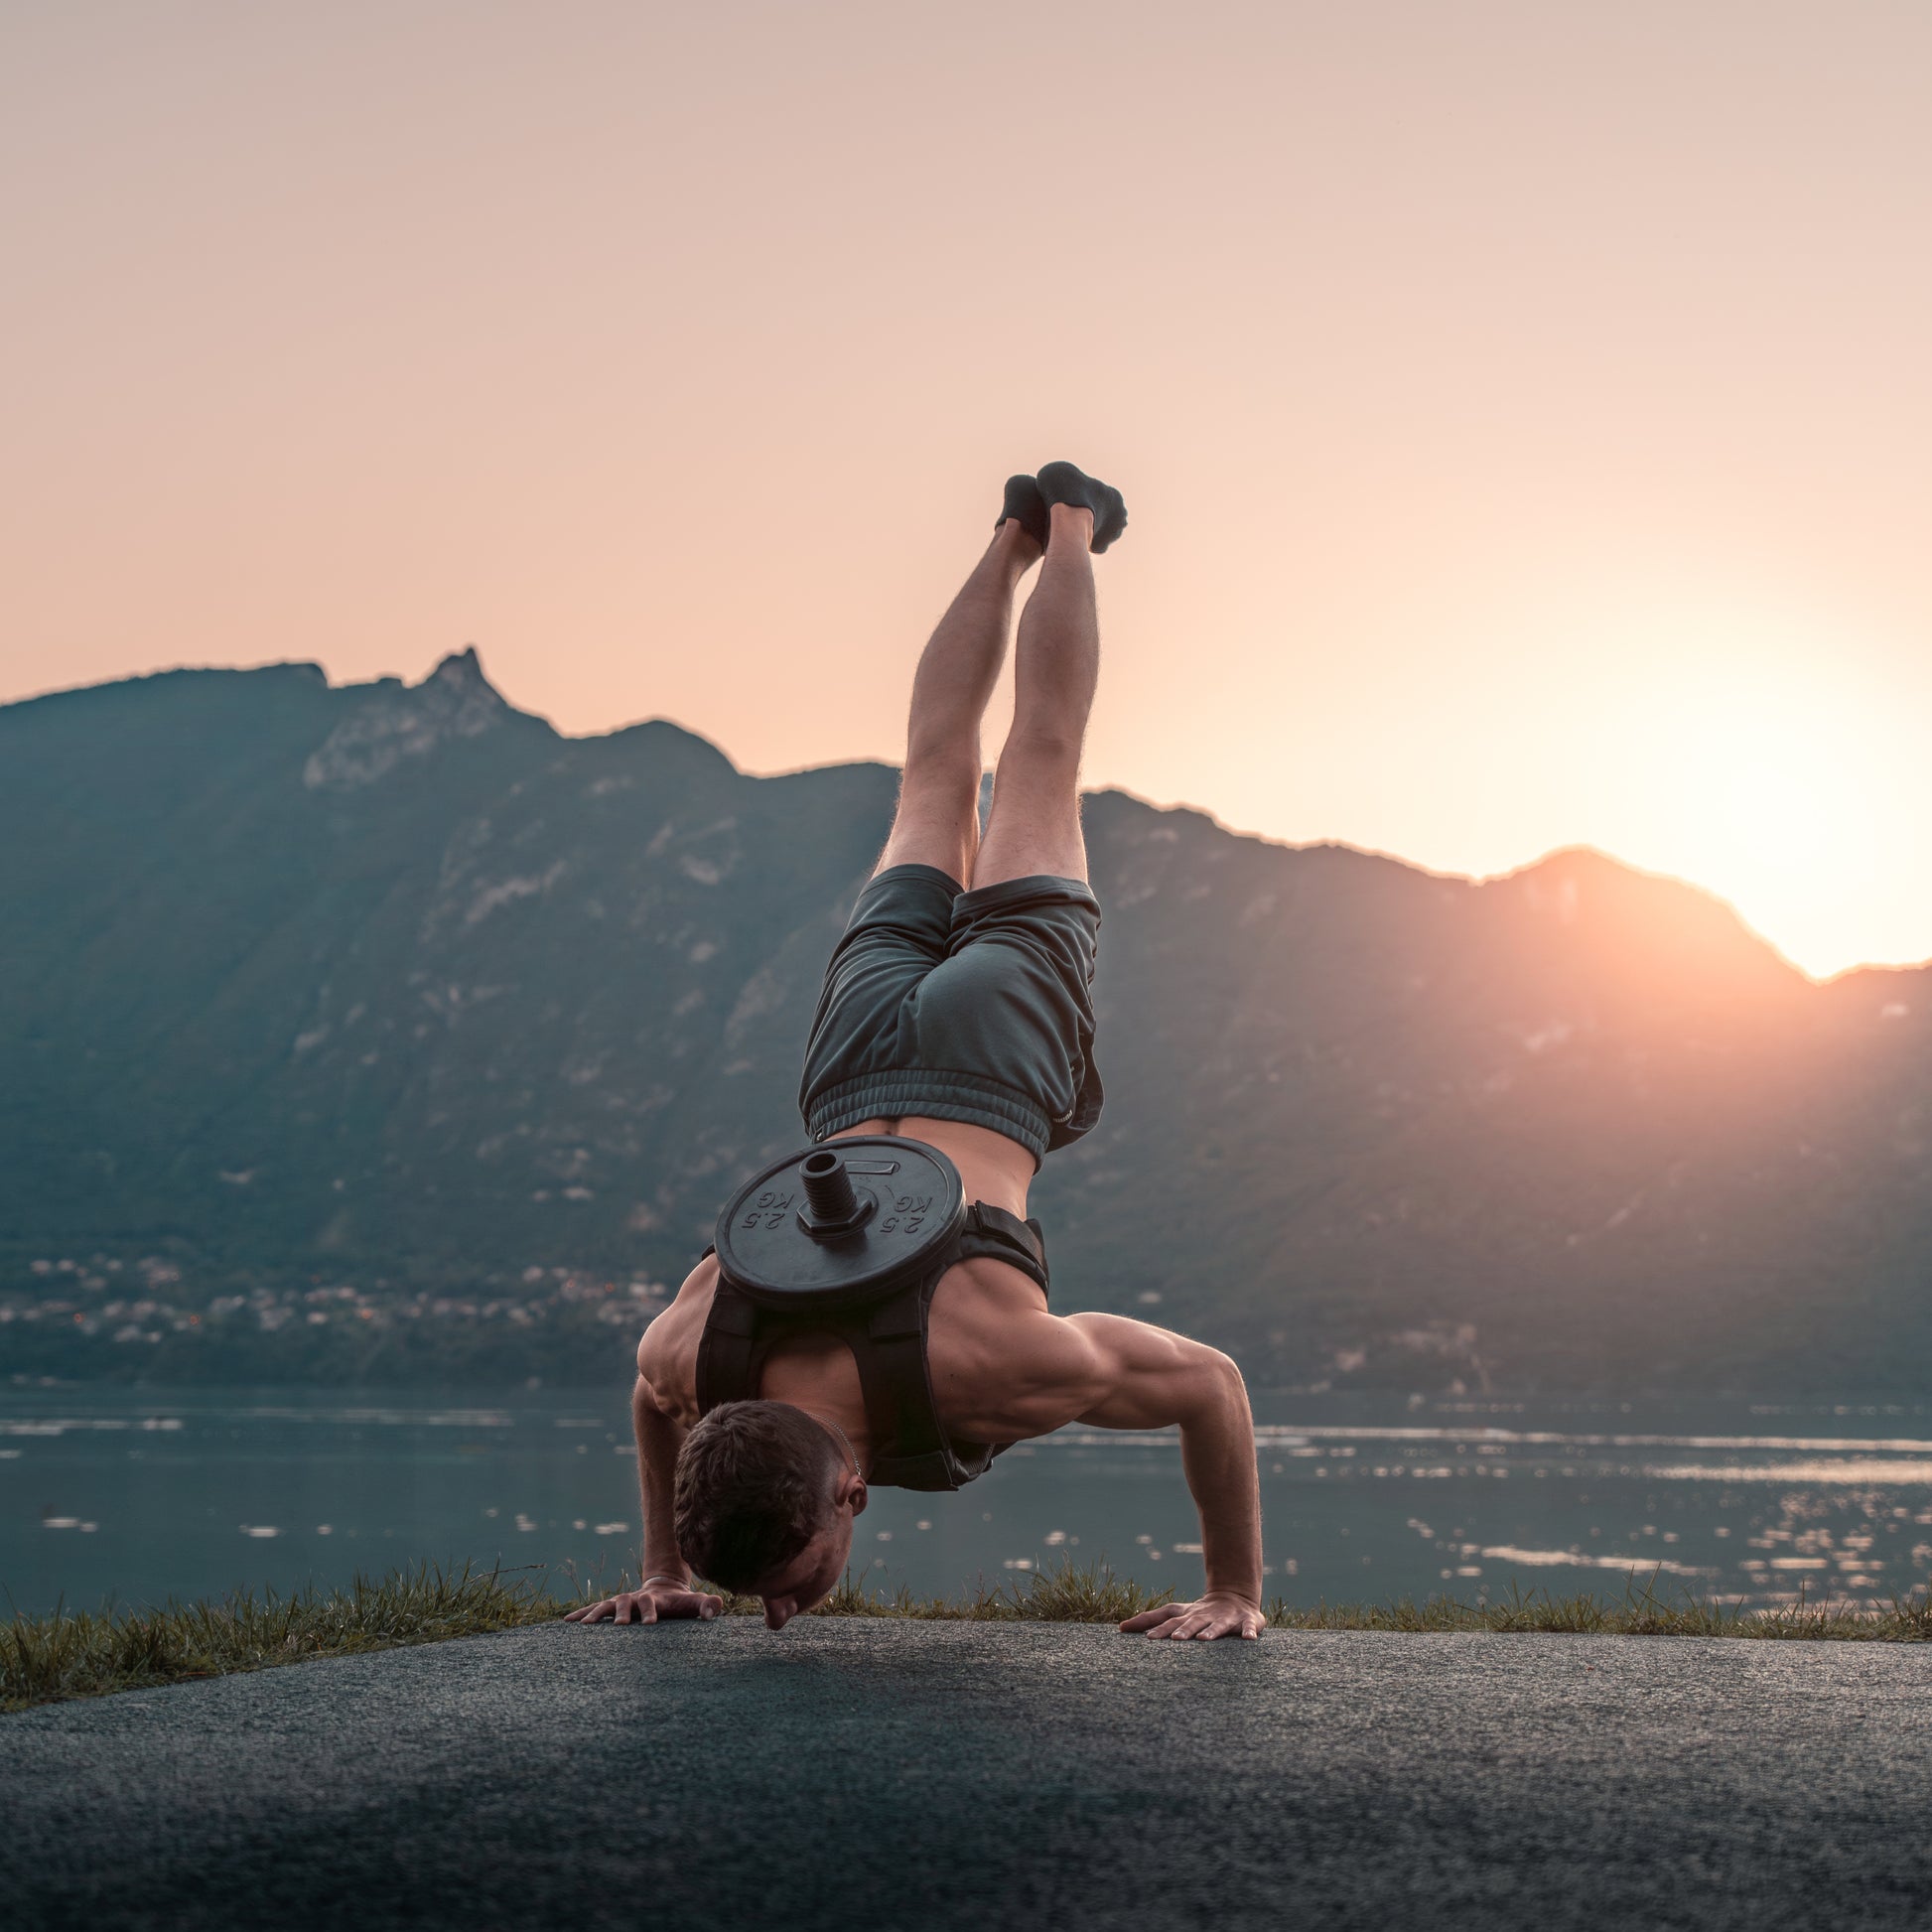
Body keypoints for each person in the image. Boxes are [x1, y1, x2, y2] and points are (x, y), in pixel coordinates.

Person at [567, 464, 1265, 1641]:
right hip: (852, 1060)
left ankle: (1073, 519)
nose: (779, 1613)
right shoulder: (690, 1355)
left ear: (849, 1490)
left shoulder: (982, 1370)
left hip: (992, 1053)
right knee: (937, 767)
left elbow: (1209, 1382)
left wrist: (1232, 1592)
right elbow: (649, 1394)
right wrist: (670, 1566)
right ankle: (1014, 534)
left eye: (785, 1578)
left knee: (1039, 758)